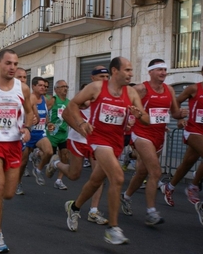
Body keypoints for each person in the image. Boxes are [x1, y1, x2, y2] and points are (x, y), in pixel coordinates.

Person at [62, 57, 149, 244]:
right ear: (115, 71)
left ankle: (74, 208)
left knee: (95, 180)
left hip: (117, 142)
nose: (130, 74)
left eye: (131, 70)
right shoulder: (97, 88)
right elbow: (72, 105)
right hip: (98, 139)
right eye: (127, 70)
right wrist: (81, 122)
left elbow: (146, 119)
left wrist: (138, 114)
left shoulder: (131, 93)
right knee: (117, 177)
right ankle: (113, 229)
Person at [120, 59, 187, 225]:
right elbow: (123, 103)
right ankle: (151, 212)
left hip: (159, 135)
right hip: (142, 133)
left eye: (165, 70)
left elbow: (174, 112)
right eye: (159, 70)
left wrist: (181, 115)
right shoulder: (141, 89)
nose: (163, 73)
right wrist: (130, 118)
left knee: (142, 171)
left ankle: (126, 196)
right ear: (150, 72)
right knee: (156, 172)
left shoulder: (169, 89)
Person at [0, 49, 33, 253]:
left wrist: (27, 128)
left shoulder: (23, 89)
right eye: (8, 63)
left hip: (14, 144)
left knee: (9, 193)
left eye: (15, 64)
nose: (12, 67)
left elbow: (29, 113)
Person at [46, 66, 110, 225]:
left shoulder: (109, 95)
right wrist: (80, 129)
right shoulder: (86, 97)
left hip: (96, 142)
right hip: (79, 140)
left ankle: (93, 211)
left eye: (107, 76)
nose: (105, 79)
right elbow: (67, 114)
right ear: (93, 78)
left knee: (99, 176)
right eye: (102, 76)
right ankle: (55, 162)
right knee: (74, 175)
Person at [160, 65, 203, 208]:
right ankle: (193, 187)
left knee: (187, 163)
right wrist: (179, 118)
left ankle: (169, 187)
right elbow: (176, 102)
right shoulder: (194, 89)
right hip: (193, 130)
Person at [17, 77, 53, 194]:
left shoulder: (44, 99)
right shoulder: (30, 98)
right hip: (29, 133)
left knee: (49, 152)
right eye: (40, 85)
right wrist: (30, 121)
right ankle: (18, 183)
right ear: (33, 86)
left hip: (40, 133)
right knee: (23, 163)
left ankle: (38, 170)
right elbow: (26, 114)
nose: (43, 87)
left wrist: (48, 123)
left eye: (45, 86)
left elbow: (45, 115)